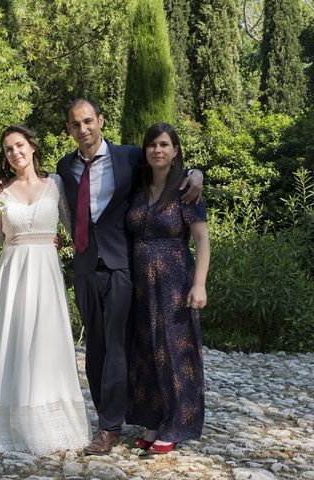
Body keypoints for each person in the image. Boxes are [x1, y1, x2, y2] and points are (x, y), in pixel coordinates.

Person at [56, 98, 204, 455]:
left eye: (88, 121)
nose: (83, 129)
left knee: (120, 346)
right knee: (95, 348)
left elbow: (167, 163)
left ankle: (109, 428)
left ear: (101, 121)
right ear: (69, 129)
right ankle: (107, 415)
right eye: (76, 124)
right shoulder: (65, 166)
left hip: (123, 265)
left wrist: (197, 173)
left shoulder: (127, 157)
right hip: (86, 265)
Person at [0, 125, 90, 455]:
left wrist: (58, 241)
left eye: (19, 146)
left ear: (32, 147)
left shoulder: (55, 184)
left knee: (46, 343)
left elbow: (75, 227)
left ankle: (51, 420)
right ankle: (13, 422)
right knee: (14, 342)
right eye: (8, 149)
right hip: (13, 273)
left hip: (46, 271)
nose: (15, 153)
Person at [126, 123, 210, 454]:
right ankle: (154, 417)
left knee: (177, 351)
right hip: (141, 284)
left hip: (175, 281)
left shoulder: (187, 191)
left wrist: (199, 284)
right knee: (147, 350)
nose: (157, 150)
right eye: (151, 145)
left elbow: (203, 240)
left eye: (164, 145)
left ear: (175, 151)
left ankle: (178, 422)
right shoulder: (138, 189)